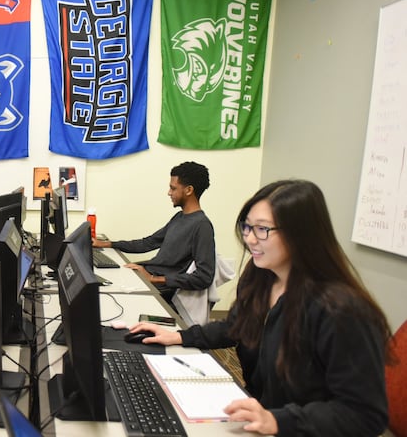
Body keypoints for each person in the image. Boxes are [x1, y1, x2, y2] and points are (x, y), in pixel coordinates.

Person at [129, 179, 392, 436]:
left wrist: (278, 421)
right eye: (247, 227)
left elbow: (365, 415)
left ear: (301, 235)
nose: (250, 240)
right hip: (258, 416)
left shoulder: (341, 310)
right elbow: (237, 326)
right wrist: (180, 336)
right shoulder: (263, 277)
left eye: (262, 229)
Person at [93, 161, 215, 305]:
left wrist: (153, 279)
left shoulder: (202, 225)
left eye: (173, 188)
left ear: (188, 190)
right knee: (100, 279)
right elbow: (148, 243)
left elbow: (204, 277)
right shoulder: (180, 217)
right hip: (150, 275)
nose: (169, 193)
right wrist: (107, 244)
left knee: (102, 297)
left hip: (160, 287)